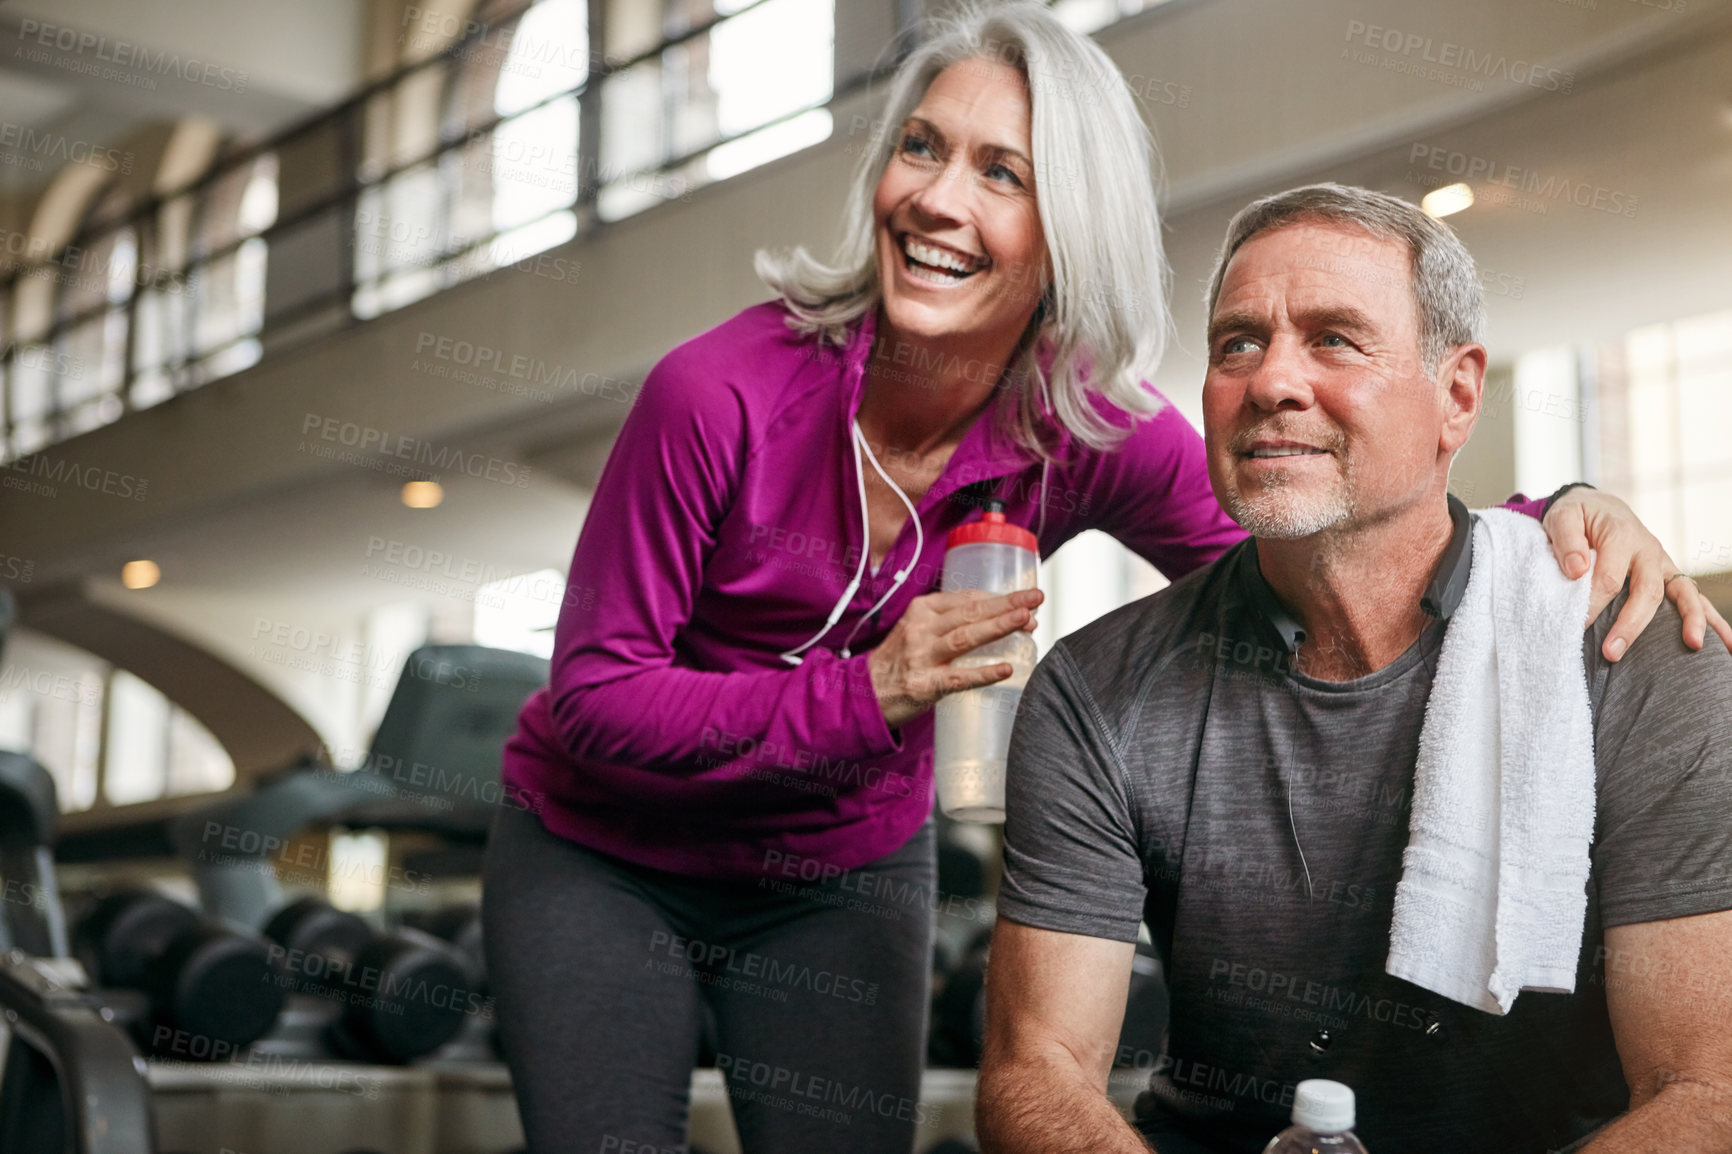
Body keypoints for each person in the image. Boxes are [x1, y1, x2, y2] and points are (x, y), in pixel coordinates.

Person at [481, 3, 1724, 1150]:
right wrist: (872, 691)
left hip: (836, 865)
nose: (934, 198)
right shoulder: (717, 393)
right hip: (605, 849)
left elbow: (1308, 521)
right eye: (920, 148)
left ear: (1064, 228)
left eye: (1000, 173)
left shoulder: (1076, 423)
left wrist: (1549, 521)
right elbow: (593, 696)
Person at [974, 183, 1732, 1154]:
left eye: (1334, 338)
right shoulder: (1097, 686)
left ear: (1456, 397)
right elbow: (1035, 1071)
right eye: (1236, 342)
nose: (1270, 382)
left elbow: (1705, 1089)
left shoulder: (1640, 658)